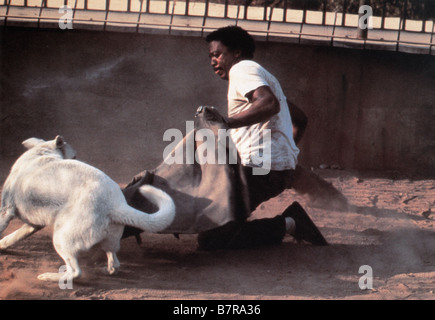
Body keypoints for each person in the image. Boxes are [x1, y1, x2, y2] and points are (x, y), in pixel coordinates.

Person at [197, 26, 327, 250]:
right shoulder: (259, 75)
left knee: (212, 239)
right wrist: (282, 155)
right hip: (269, 169)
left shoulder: (243, 69)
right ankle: (288, 221)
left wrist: (225, 122)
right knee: (220, 223)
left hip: (260, 170)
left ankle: (291, 223)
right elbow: (300, 118)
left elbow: (269, 104)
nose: (212, 61)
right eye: (210, 56)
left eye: (217, 54)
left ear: (236, 53)